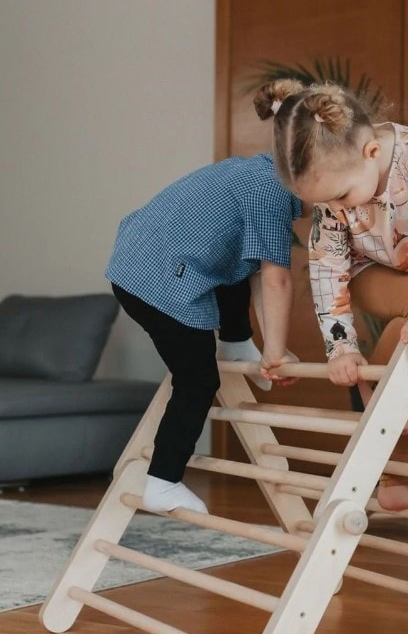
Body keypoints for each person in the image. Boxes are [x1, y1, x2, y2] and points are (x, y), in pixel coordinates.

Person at [261, 79, 408, 512]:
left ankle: (391, 474)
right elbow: (327, 267)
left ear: (371, 153)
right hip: (367, 273)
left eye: (340, 196)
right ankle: (392, 465)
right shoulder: (335, 198)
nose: (337, 209)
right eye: (324, 204)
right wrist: (341, 348)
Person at [106, 87, 302, 515]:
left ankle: (235, 340)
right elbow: (275, 280)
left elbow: (250, 269)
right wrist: (274, 353)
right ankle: (163, 479)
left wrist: (265, 346)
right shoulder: (271, 194)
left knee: (236, 265)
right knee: (197, 379)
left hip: (137, 261)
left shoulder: (251, 172)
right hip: (159, 279)